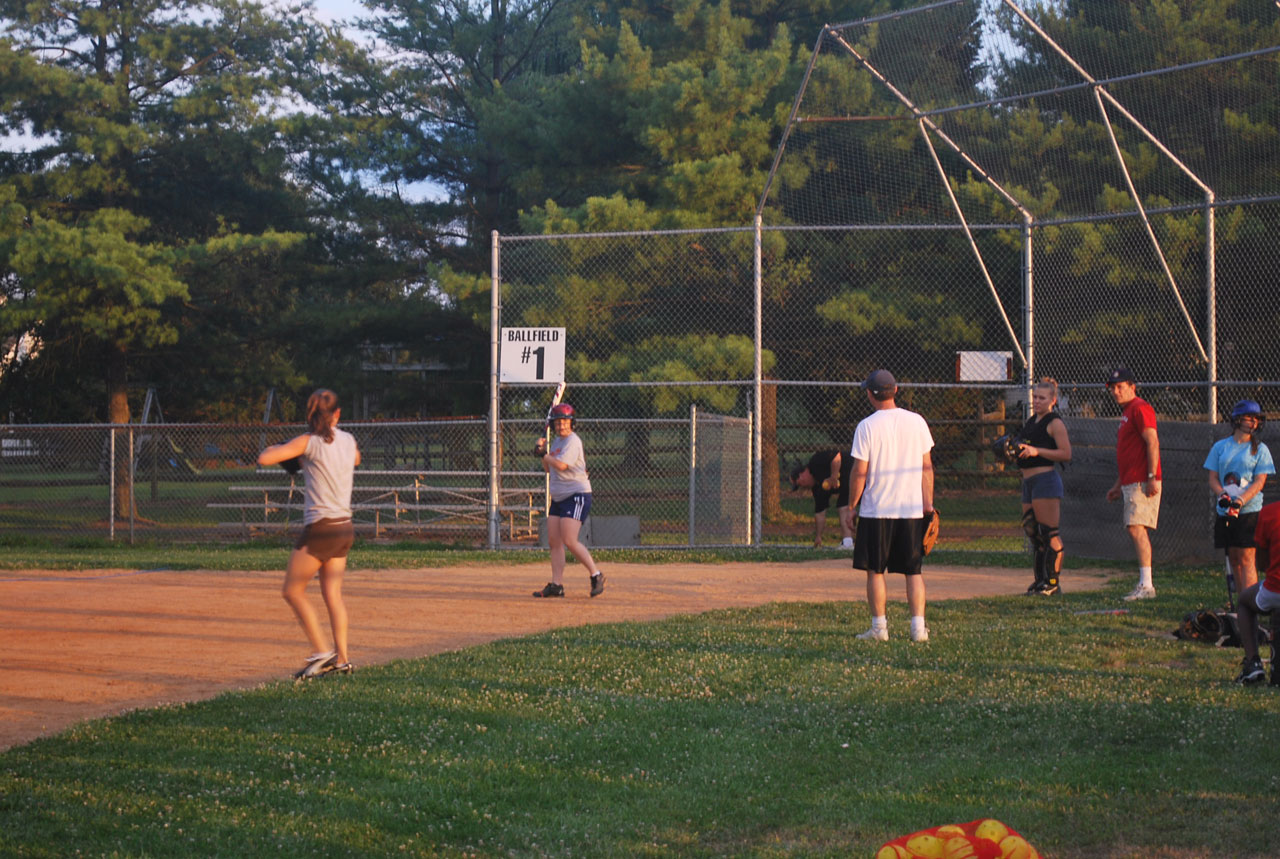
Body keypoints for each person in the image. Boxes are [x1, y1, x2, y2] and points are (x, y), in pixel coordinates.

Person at [257, 388, 361, 679]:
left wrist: (282, 449)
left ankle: (321, 650)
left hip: (321, 529)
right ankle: (342, 659)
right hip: (344, 527)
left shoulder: (309, 442)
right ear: (337, 414)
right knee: (333, 595)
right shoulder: (347, 439)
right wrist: (307, 460)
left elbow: (265, 458)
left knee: (292, 590)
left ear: (310, 415)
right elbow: (355, 459)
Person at [849, 369, 935, 643]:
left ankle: (879, 628)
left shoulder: (866, 426)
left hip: (877, 510)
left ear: (870, 395)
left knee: (876, 570)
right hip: (910, 509)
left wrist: (852, 506)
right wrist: (928, 506)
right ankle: (918, 629)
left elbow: (859, 472)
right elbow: (926, 468)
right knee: (913, 571)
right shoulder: (917, 422)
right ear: (895, 390)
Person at [532, 402, 606, 598]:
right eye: (558, 422)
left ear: (572, 423)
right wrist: (543, 452)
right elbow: (549, 469)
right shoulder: (556, 442)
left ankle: (596, 575)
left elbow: (562, 465)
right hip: (558, 497)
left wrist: (544, 454)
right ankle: (557, 585)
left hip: (577, 495)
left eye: (565, 421)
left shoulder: (573, 441)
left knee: (569, 540)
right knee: (554, 541)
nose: (561, 425)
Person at [1204, 400, 1274, 596]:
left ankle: (1251, 603)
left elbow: (1260, 481)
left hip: (1249, 510)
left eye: (1256, 419)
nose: (1253, 422)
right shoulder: (1221, 447)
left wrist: (1241, 500)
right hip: (1226, 509)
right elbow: (1213, 477)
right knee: (1233, 557)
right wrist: (1222, 494)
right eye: (1249, 417)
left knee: (1246, 557)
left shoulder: (1260, 449)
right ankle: (1242, 602)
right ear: (1237, 419)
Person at [1104, 367, 1162, 600]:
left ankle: (1147, 585)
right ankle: (1144, 583)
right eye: (1113, 388)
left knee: (1137, 528)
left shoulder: (1140, 408)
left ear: (1132, 387)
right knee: (1134, 528)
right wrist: (1118, 484)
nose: (1116, 392)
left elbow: (1152, 442)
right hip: (1131, 480)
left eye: (1121, 387)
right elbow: (1129, 454)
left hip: (1142, 480)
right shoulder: (1127, 412)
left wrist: (1151, 477)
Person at [1015, 378, 1072, 595]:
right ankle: (1039, 580)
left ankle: (1052, 582)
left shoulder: (1054, 422)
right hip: (1029, 482)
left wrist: (1037, 451)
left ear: (1053, 400)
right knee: (1033, 531)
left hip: (1045, 481)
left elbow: (1066, 454)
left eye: (1042, 398)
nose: (1037, 401)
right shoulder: (1032, 421)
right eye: (1035, 397)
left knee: (1049, 533)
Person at [1233, 497, 1280, 685]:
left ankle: (1253, 662)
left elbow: (1261, 564)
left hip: (1275, 589)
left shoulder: (1269, 513)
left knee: (1244, 601)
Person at [790, 450, 856, 547]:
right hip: (848, 487)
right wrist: (818, 536)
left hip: (858, 473)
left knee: (847, 507)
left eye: (799, 484)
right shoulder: (817, 489)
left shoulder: (816, 461)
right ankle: (848, 543)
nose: (802, 487)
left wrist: (833, 477)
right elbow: (820, 514)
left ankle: (853, 543)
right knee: (843, 506)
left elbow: (836, 456)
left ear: (801, 475)